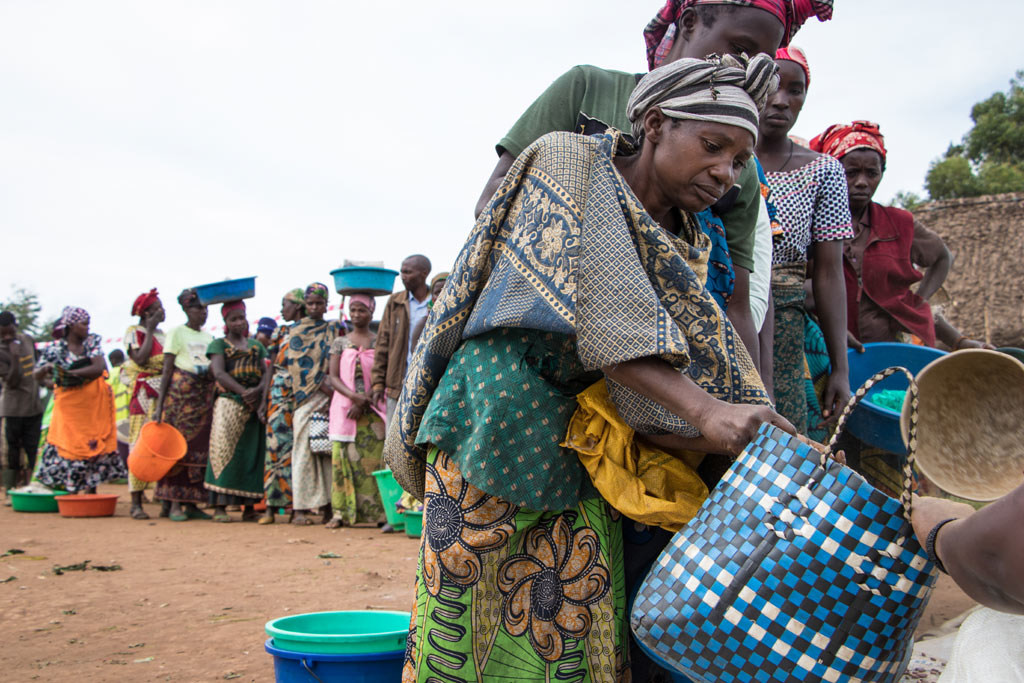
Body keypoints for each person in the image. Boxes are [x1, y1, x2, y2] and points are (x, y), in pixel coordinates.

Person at [389, 54, 793, 681]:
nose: (726, 174)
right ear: (654, 122)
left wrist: (746, 433)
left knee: (565, 628)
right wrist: (707, 412)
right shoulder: (566, 159)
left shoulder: (689, 237)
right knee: (468, 627)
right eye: (713, 146)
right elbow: (607, 313)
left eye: (739, 161)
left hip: (589, 444)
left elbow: (696, 357)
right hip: (496, 424)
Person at [473, 0, 834, 383]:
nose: (744, 69)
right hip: (530, 352)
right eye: (740, 49)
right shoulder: (589, 92)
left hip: (664, 374)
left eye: (761, 61)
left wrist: (753, 398)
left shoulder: (738, 171)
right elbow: (492, 202)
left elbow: (737, 305)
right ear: (690, 23)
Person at [809, 121, 992, 350]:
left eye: (872, 173)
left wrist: (919, 302)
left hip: (893, 349)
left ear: (882, 174)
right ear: (833, 173)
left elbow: (943, 257)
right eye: (851, 173)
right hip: (829, 350)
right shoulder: (812, 226)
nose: (862, 183)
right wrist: (827, 325)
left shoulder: (898, 224)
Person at [756, 46, 852, 434]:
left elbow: (829, 273)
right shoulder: (724, 159)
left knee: (782, 435)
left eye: (795, 90)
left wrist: (840, 368)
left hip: (784, 330)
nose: (782, 100)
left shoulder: (823, 171)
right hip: (721, 309)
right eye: (772, 87)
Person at [34, 307, 127, 492]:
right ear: (71, 325)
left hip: (93, 405)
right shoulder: (56, 348)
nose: (87, 327)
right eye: (83, 324)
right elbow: (37, 374)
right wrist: (49, 377)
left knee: (93, 443)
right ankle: (71, 489)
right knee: (69, 444)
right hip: (69, 407)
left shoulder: (92, 342)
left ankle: (90, 490)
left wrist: (68, 373)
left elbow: (98, 367)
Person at [152, 289, 215, 522]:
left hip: (202, 399)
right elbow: (167, 369)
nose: (203, 313)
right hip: (179, 401)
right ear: (187, 310)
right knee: (176, 449)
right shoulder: (176, 333)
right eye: (198, 308)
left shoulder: (209, 338)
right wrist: (160, 406)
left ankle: (192, 503)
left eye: (205, 309)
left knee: (198, 451)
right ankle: (174, 502)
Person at [326, 294, 387, 528]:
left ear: (372, 312)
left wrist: (366, 400)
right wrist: (353, 397)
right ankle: (341, 513)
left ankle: (380, 515)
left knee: (375, 462)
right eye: (353, 310)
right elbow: (333, 377)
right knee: (343, 460)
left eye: (362, 310)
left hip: (374, 410)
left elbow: (382, 372)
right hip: (346, 409)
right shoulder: (340, 342)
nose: (356, 315)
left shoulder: (378, 341)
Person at [205, 300, 268, 522]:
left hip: (253, 405)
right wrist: (244, 393)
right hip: (229, 403)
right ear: (225, 322)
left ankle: (249, 507)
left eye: (241, 317)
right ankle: (220, 506)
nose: (239, 322)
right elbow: (219, 373)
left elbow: (266, 372)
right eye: (233, 319)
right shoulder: (218, 345)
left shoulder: (256, 346)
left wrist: (258, 392)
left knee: (251, 454)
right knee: (223, 451)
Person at [282, 283, 339, 525]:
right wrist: (323, 388)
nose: (315, 307)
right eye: (310, 304)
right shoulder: (295, 331)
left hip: (331, 398)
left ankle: (328, 506)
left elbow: (337, 360)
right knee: (303, 452)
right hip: (306, 398)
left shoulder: (333, 329)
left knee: (326, 452)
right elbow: (297, 367)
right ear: (305, 305)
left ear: (326, 305)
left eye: (319, 303)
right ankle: (300, 509)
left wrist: (333, 394)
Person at [260, 288, 306, 524]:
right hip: (279, 394)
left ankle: (298, 507)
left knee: (299, 451)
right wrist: (264, 399)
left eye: (284, 304)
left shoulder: (309, 329)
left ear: (297, 306)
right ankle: (271, 506)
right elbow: (270, 366)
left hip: (303, 393)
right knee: (275, 450)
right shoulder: (281, 331)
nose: (281, 309)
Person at [122, 288, 167, 519]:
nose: (162, 311)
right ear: (146, 313)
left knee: (161, 445)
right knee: (139, 443)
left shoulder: (165, 335)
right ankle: (136, 501)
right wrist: (148, 331)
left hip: (163, 394)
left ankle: (161, 494)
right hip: (144, 394)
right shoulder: (135, 332)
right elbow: (141, 359)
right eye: (157, 308)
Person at [370, 255, 431, 427]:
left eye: (407, 272)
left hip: (427, 382)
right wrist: (378, 384)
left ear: (424, 273)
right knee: (393, 438)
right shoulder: (395, 302)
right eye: (402, 272)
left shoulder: (436, 301)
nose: (402, 276)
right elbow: (382, 343)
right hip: (398, 384)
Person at [0, 311, 44, 492]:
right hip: (13, 408)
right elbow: (11, 381)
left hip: (33, 405)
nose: (7, 336)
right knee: (13, 449)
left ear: (15, 326)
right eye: (3, 334)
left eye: (9, 332)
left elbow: (38, 365)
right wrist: (15, 357)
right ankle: (10, 489)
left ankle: (34, 486)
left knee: (33, 447)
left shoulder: (27, 339)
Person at [105, 349, 131, 462]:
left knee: (122, 449)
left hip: (115, 417)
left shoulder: (109, 376)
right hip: (132, 413)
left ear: (112, 360)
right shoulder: (129, 370)